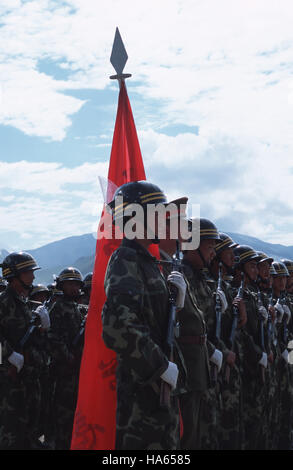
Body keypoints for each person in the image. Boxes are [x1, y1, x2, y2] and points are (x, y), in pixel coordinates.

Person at [102, 180, 187, 450]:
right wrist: (159, 365)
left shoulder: (146, 263)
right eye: (158, 214)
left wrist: (176, 304)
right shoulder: (125, 259)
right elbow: (118, 327)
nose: (163, 221)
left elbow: (152, 321)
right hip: (143, 397)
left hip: (156, 390)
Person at [0, 252, 50, 449]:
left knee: (29, 431)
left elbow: (32, 339)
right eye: (28, 272)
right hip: (8, 383)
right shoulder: (3, 302)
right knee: (11, 434)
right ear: (14, 275)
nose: (33, 277)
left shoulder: (23, 303)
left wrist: (43, 329)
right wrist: (8, 355)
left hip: (28, 378)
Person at [48, 267, 88, 449]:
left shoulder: (76, 307)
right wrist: (68, 357)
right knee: (64, 415)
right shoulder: (58, 308)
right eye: (70, 284)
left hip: (76, 370)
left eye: (76, 285)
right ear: (62, 286)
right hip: (65, 371)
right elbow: (54, 338)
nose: (74, 288)